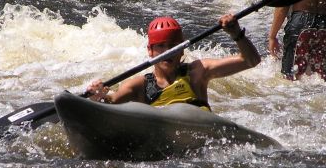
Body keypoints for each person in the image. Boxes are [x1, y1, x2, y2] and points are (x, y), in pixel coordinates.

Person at [86, 15, 260, 110]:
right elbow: (110, 103)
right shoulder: (139, 86)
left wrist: (236, 33)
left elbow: (250, 60)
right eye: (161, 46)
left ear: (182, 50)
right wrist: (97, 96)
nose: (167, 51)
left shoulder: (198, 73)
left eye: (172, 46)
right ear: (150, 51)